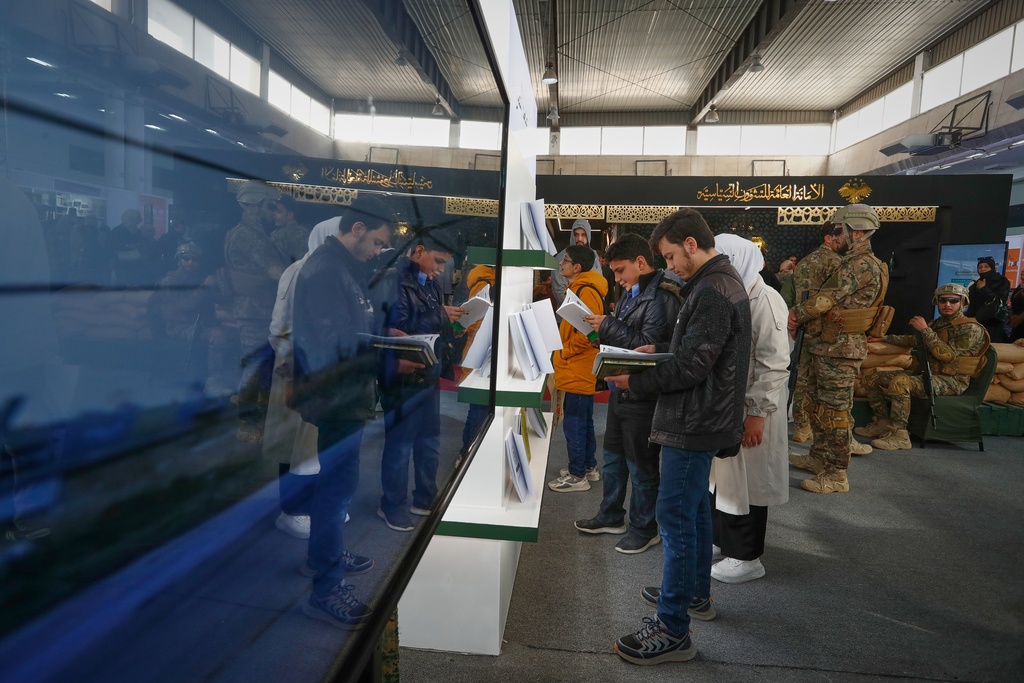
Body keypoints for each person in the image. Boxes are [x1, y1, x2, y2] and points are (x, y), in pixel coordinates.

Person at [605, 208, 750, 666]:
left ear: (690, 244)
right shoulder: (717, 283)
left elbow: (692, 367)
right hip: (704, 417)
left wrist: (637, 380)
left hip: (694, 422)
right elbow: (696, 353)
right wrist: (657, 352)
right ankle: (694, 596)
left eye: (669, 256)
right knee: (693, 513)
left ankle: (672, 630)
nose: (666, 266)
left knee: (675, 519)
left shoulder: (711, 289)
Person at [290, 194, 400, 629]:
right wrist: (390, 355)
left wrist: (385, 336)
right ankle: (325, 588)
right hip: (336, 395)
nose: (376, 251)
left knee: (338, 487)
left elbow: (351, 327)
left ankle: (325, 554)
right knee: (336, 488)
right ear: (357, 229)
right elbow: (334, 345)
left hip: (346, 392)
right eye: (375, 242)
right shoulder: (323, 271)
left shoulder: (342, 268)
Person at [573, 234, 680, 554]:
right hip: (622, 391)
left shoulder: (662, 297)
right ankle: (611, 514)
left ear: (641, 263)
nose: (616, 278)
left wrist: (607, 325)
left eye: (620, 271)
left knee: (641, 467)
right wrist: (600, 332)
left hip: (643, 395)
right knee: (612, 460)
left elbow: (646, 346)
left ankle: (645, 527)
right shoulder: (634, 293)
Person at [787, 204, 887, 494]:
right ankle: (820, 458)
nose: (838, 236)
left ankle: (836, 473)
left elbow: (824, 301)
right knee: (821, 405)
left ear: (855, 231)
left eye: (841, 230)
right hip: (831, 346)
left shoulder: (860, 264)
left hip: (840, 349)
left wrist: (796, 315)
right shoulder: (859, 261)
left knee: (836, 412)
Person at [708, 234, 790, 584]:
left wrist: (757, 414)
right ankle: (722, 540)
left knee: (750, 483)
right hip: (732, 406)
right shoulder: (738, 294)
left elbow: (774, 365)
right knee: (726, 479)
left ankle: (747, 556)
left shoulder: (766, 300)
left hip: (755, 411)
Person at [377, 228, 465, 531]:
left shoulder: (433, 284)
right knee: (400, 444)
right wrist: (441, 316)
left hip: (428, 372)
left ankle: (425, 497)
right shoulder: (394, 282)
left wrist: (454, 328)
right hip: (402, 375)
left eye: (444, 265)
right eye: (438, 262)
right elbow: (399, 330)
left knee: (429, 441)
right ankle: (392, 504)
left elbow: (432, 326)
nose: (441, 270)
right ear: (418, 252)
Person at [856, 283, 988, 450]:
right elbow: (913, 341)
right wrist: (884, 339)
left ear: (963, 303)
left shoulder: (970, 329)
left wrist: (925, 330)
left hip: (951, 380)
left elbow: (947, 355)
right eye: (943, 300)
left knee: (900, 382)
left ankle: (900, 435)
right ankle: (883, 423)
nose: (947, 304)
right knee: (871, 377)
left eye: (954, 300)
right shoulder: (938, 324)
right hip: (928, 374)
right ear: (937, 302)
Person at [263, 229, 331, 540]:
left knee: (313, 446)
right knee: (293, 444)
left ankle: (307, 507)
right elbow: (279, 327)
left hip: (315, 373)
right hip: (295, 371)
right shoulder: (300, 272)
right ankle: (291, 512)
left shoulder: (325, 272)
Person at [223, 180, 287, 443]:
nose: (273, 212)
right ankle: (248, 424)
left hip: (260, 309)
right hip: (254, 309)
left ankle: (257, 421)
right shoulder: (246, 235)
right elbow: (273, 271)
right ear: (253, 205)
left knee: (262, 368)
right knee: (253, 368)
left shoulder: (254, 232)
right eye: (269, 206)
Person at [547, 244, 607, 492]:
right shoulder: (580, 288)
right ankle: (588, 466)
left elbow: (589, 333)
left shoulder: (585, 291)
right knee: (582, 420)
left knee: (574, 422)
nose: (561, 265)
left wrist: (565, 351)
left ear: (577, 267)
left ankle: (577, 475)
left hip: (578, 367)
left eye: (565, 261)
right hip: (579, 368)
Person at [786, 225, 842, 442]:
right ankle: (825, 431)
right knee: (824, 382)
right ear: (828, 238)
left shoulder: (804, 262)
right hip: (825, 330)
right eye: (838, 236)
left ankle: (802, 426)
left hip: (803, 326)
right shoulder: (836, 262)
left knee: (801, 378)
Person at [551, 219, 603, 305]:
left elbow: (599, 282)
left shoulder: (593, 256)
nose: (579, 239)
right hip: (568, 311)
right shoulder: (562, 257)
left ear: (588, 236)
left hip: (592, 309)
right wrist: (576, 310)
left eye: (583, 235)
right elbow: (559, 290)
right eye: (576, 235)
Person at [966, 256, 1010, 343]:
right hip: (975, 323)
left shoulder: (1001, 281)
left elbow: (999, 300)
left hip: (993, 323)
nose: (983, 269)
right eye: (980, 267)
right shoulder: (975, 284)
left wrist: (983, 288)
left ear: (992, 268)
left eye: (986, 266)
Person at [271, 195, 312, 265]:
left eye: (279, 212)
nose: (274, 215)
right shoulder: (308, 232)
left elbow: (274, 261)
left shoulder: (278, 236)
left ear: (290, 214)